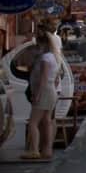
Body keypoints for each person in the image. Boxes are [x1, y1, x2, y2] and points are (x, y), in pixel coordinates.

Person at [21, 26, 59, 160]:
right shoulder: (53, 57)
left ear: (42, 44)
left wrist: (37, 94)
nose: (37, 47)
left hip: (44, 91)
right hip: (50, 92)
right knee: (46, 121)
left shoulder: (45, 59)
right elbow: (56, 79)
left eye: (38, 44)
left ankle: (34, 150)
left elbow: (43, 78)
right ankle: (47, 149)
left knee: (33, 122)